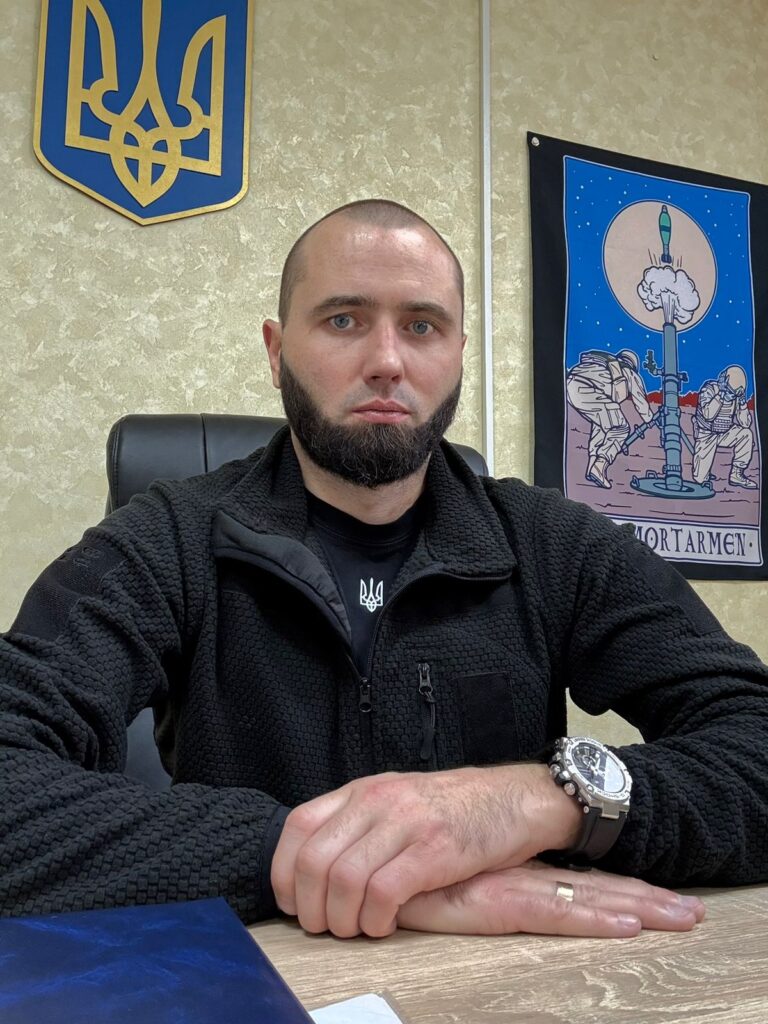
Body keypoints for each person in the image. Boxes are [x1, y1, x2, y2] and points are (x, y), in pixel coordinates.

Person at [2, 200, 767, 941]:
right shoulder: (167, 540)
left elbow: (753, 742)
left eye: (422, 326)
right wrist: (329, 862)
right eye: (344, 320)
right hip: (261, 975)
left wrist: (537, 801)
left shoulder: (556, 544)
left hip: (509, 973)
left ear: (458, 354)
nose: (387, 362)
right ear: (276, 351)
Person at [566, 348, 653, 488]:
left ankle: (591, 468)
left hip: (571, 385)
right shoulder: (629, 372)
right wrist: (650, 419)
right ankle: (599, 467)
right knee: (620, 428)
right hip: (589, 389)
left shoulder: (604, 364)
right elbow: (640, 401)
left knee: (602, 427)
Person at [693, 365, 758, 490]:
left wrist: (742, 404)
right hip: (707, 433)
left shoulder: (735, 396)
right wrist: (720, 397)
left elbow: (745, 423)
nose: (731, 396)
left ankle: (736, 474)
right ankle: (703, 473)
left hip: (725, 432)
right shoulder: (710, 389)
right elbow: (708, 415)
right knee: (700, 479)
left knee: (746, 434)